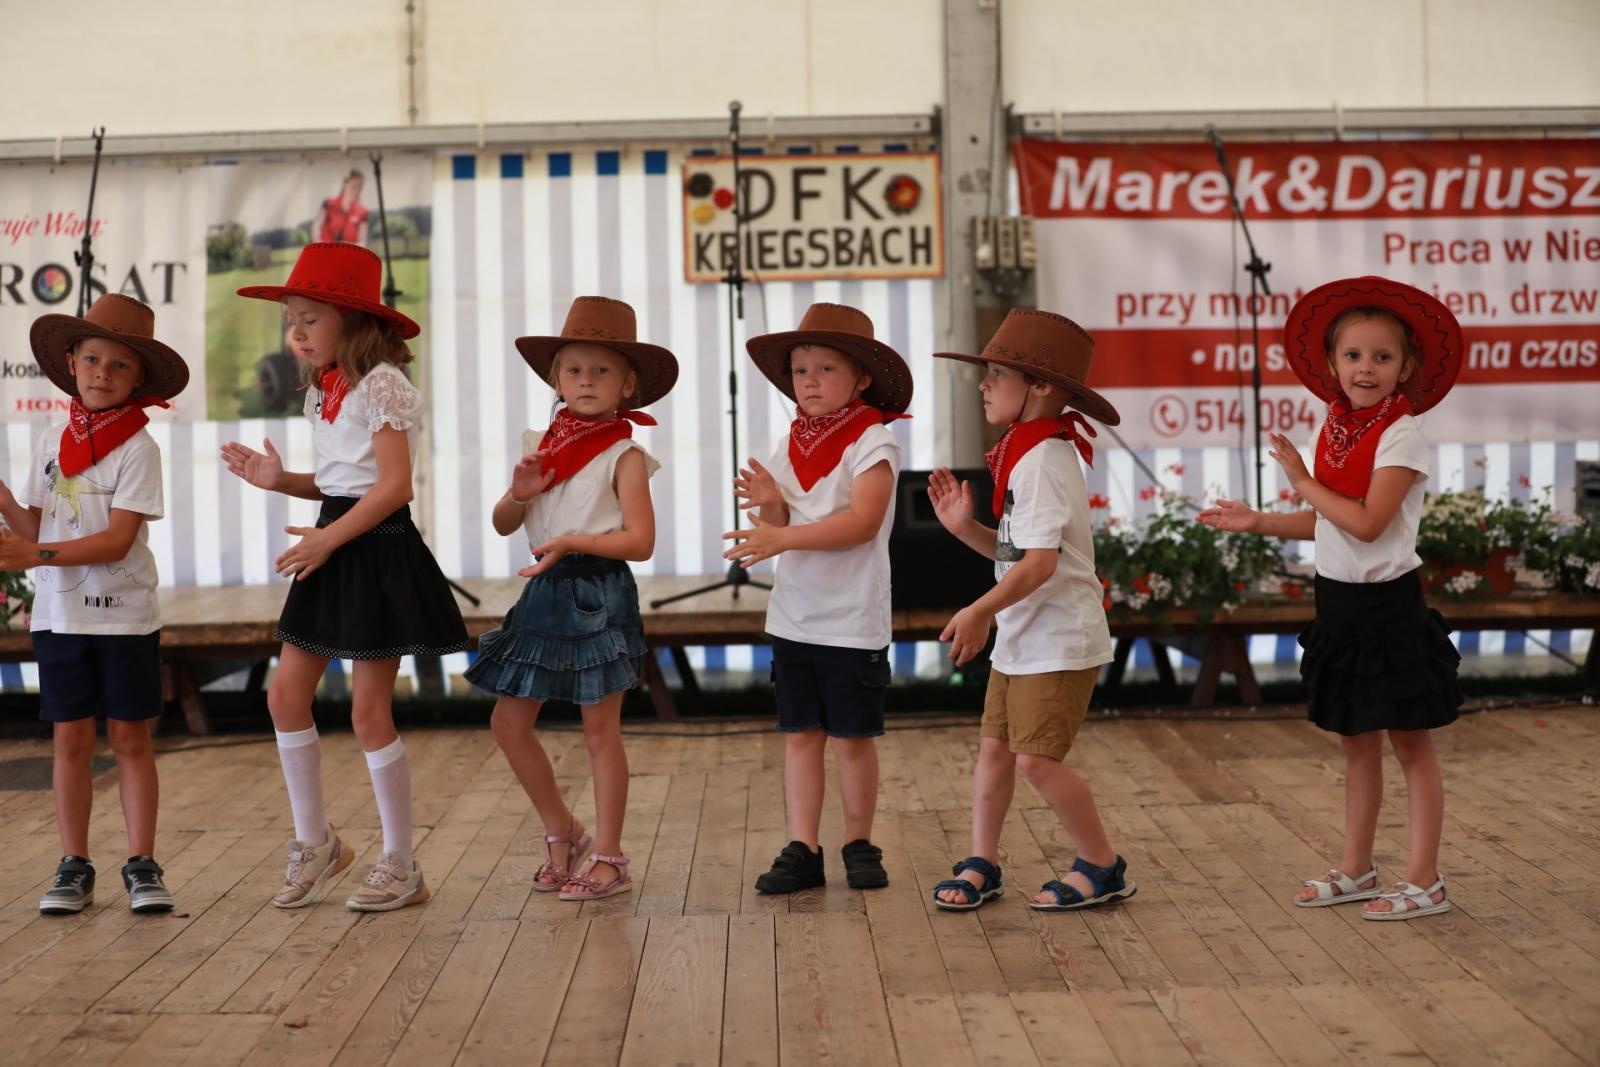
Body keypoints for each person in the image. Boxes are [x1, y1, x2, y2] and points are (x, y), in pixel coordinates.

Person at [1200, 276, 1463, 920]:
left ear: (1406, 369)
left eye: (1381, 357)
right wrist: (1260, 520)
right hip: (1338, 607)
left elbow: (1369, 521)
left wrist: (1298, 479)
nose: (1365, 369)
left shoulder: (1402, 435)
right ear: (1332, 365)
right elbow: (1329, 518)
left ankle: (1424, 879)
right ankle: (1357, 868)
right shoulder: (1337, 428)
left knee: (1411, 744)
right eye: (1353, 356)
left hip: (1388, 608)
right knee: (1355, 741)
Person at [224, 242, 469, 911]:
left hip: (375, 546)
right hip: (334, 537)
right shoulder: (323, 391)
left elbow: (393, 487)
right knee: (285, 696)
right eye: (290, 318)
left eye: (310, 316)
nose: (294, 331)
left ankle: (401, 860)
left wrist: (329, 537)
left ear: (353, 322)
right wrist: (282, 481)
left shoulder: (382, 383)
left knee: (368, 711)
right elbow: (341, 481)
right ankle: (317, 841)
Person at [467, 296, 676, 901]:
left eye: (602, 370)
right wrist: (517, 492)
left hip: (597, 589)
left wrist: (572, 541)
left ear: (627, 384)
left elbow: (640, 541)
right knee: (508, 723)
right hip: (544, 586)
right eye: (575, 370)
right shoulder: (540, 442)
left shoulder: (626, 453)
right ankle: (562, 828)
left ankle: (608, 856)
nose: (586, 381)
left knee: (599, 732)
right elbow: (505, 523)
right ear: (555, 379)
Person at [927, 309, 1134, 912]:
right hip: (1026, 635)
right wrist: (968, 531)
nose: (985, 385)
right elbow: (1021, 554)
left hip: (1058, 639)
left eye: (996, 374)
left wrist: (979, 610)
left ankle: (1103, 864)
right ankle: (982, 862)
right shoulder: (1027, 453)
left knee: (1037, 763)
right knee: (995, 750)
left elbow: (1041, 566)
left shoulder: (1043, 459)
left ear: (1040, 387)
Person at [0, 294, 189, 915]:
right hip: (59, 618)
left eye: (120, 365)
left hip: (125, 617)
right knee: (69, 741)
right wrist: (4, 499)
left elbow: (116, 540)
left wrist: (36, 557)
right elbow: (34, 527)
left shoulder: (139, 448)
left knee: (132, 739)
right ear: (71, 363)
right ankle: (74, 864)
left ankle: (141, 863)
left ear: (140, 381)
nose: (103, 373)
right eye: (93, 359)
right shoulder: (52, 442)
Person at [725, 303, 912, 894]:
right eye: (800, 370)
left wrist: (780, 532)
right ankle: (803, 847)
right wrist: (769, 502)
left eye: (825, 369)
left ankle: (860, 841)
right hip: (795, 616)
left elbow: (861, 522)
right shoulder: (791, 440)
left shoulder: (873, 442)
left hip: (852, 620)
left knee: (853, 740)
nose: (807, 381)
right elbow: (785, 515)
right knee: (801, 735)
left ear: (861, 379)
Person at [315, 170, 370, 245]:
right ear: (345, 185)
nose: (356, 191)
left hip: (348, 253)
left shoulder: (363, 212)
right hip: (326, 251)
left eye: (359, 188)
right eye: (353, 186)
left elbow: (362, 241)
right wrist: (318, 242)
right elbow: (317, 225)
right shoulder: (328, 203)